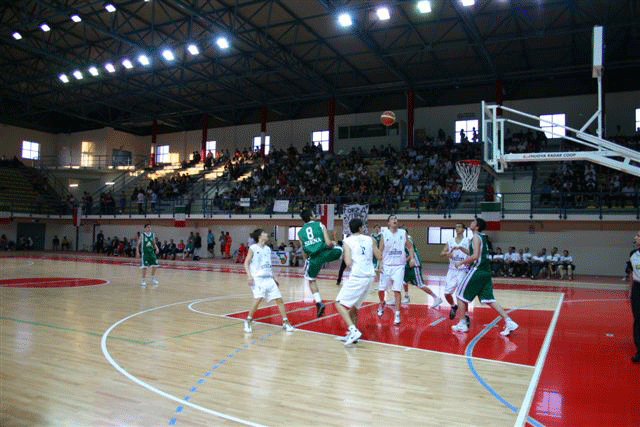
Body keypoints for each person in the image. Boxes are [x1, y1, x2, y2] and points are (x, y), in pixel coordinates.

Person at [452, 218, 518, 336]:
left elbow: (475, 256)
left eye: (473, 222)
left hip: (477, 270)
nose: (471, 223)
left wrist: (461, 262)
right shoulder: (482, 237)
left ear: (477, 226)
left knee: (460, 295)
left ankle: (462, 323)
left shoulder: (476, 237)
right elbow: (475, 253)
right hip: (486, 272)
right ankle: (509, 321)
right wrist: (462, 249)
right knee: (489, 300)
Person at [335, 218, 381, 346]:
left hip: (358, 276)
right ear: (361, 228)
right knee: (354, 307)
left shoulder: (347, 241)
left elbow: (348, 262)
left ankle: (353, 330)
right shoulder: (370, 239)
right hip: (369, 277)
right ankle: (353, 335)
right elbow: (379, 255)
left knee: (338, 303)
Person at [243, 228, 294, 333]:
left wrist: (274, 277)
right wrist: (249, 276)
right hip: (258, 278)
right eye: (264, 233)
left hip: (269, 278)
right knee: (258, 299)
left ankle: (285, 322)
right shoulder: (253, 248)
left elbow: (268, 265)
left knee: (279, 299)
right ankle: (248, 321)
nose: (266, 234)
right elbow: (246, 263)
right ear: (259, 236)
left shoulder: (267, 249)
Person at [298, 209, 343, 317]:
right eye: (313, 213)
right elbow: (328, 243)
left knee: (311, 281)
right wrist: (333, 243)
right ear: (311, 216)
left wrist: (306, 262)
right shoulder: (320, 225)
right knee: (342, 250)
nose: (315, 215)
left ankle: (318, 302)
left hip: (314, 258)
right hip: (325, 253)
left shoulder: (300, 233)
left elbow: (304, 251)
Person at [377, 215, 414, 326]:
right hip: (387, 266)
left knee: (397, 290)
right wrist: (380, 265)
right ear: (388, 223)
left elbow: (410, 247)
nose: (395, 220)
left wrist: (412, 258)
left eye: (396, 219)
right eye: (392, 219)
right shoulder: (384, 234)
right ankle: (382, 303)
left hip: (399, 266)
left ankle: (397, 315)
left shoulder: (403, 233)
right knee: (381, 290)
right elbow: (380, 251)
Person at [402, 228, 442, 308]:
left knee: (420, 285)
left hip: (414, 265)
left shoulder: (408, 240)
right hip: (407, 264)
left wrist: (407, 260)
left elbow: (412, 252)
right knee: (404, 281)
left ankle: (436, 298)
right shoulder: (403, 239)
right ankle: (406, 296)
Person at [440, 222, 470, 321]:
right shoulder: (450, 241)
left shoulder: (467, 241)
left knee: (462, 295)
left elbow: (472, 253)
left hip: (463, 270)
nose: (457, 228)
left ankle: (466, 314)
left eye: (459, 227)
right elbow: (442, 253)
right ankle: (453, 306)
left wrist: (469, 261)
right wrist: (447, 254)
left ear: (463, 229)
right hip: (452, 270)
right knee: (446, 293)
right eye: (456, 227)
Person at [627, 231, 640, 363]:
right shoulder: (633, 254)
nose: (636, 237)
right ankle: (639, 350)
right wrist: (631, 289)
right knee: (638, 318)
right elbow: (631, 272)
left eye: (638, 236)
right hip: (637, 288)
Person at [137, 224, 160, 288]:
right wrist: (137, 251)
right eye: (147, 227)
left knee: (155, 265)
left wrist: (157, 248)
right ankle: (143, 280)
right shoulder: (142, 235)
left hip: (152, 253)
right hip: (145, 253)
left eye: (149, 227)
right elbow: (138, 244)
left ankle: (152, 278)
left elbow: (153, 243)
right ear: (145, 228)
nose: (149, 228)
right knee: (145, 267)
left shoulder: (152, 234)